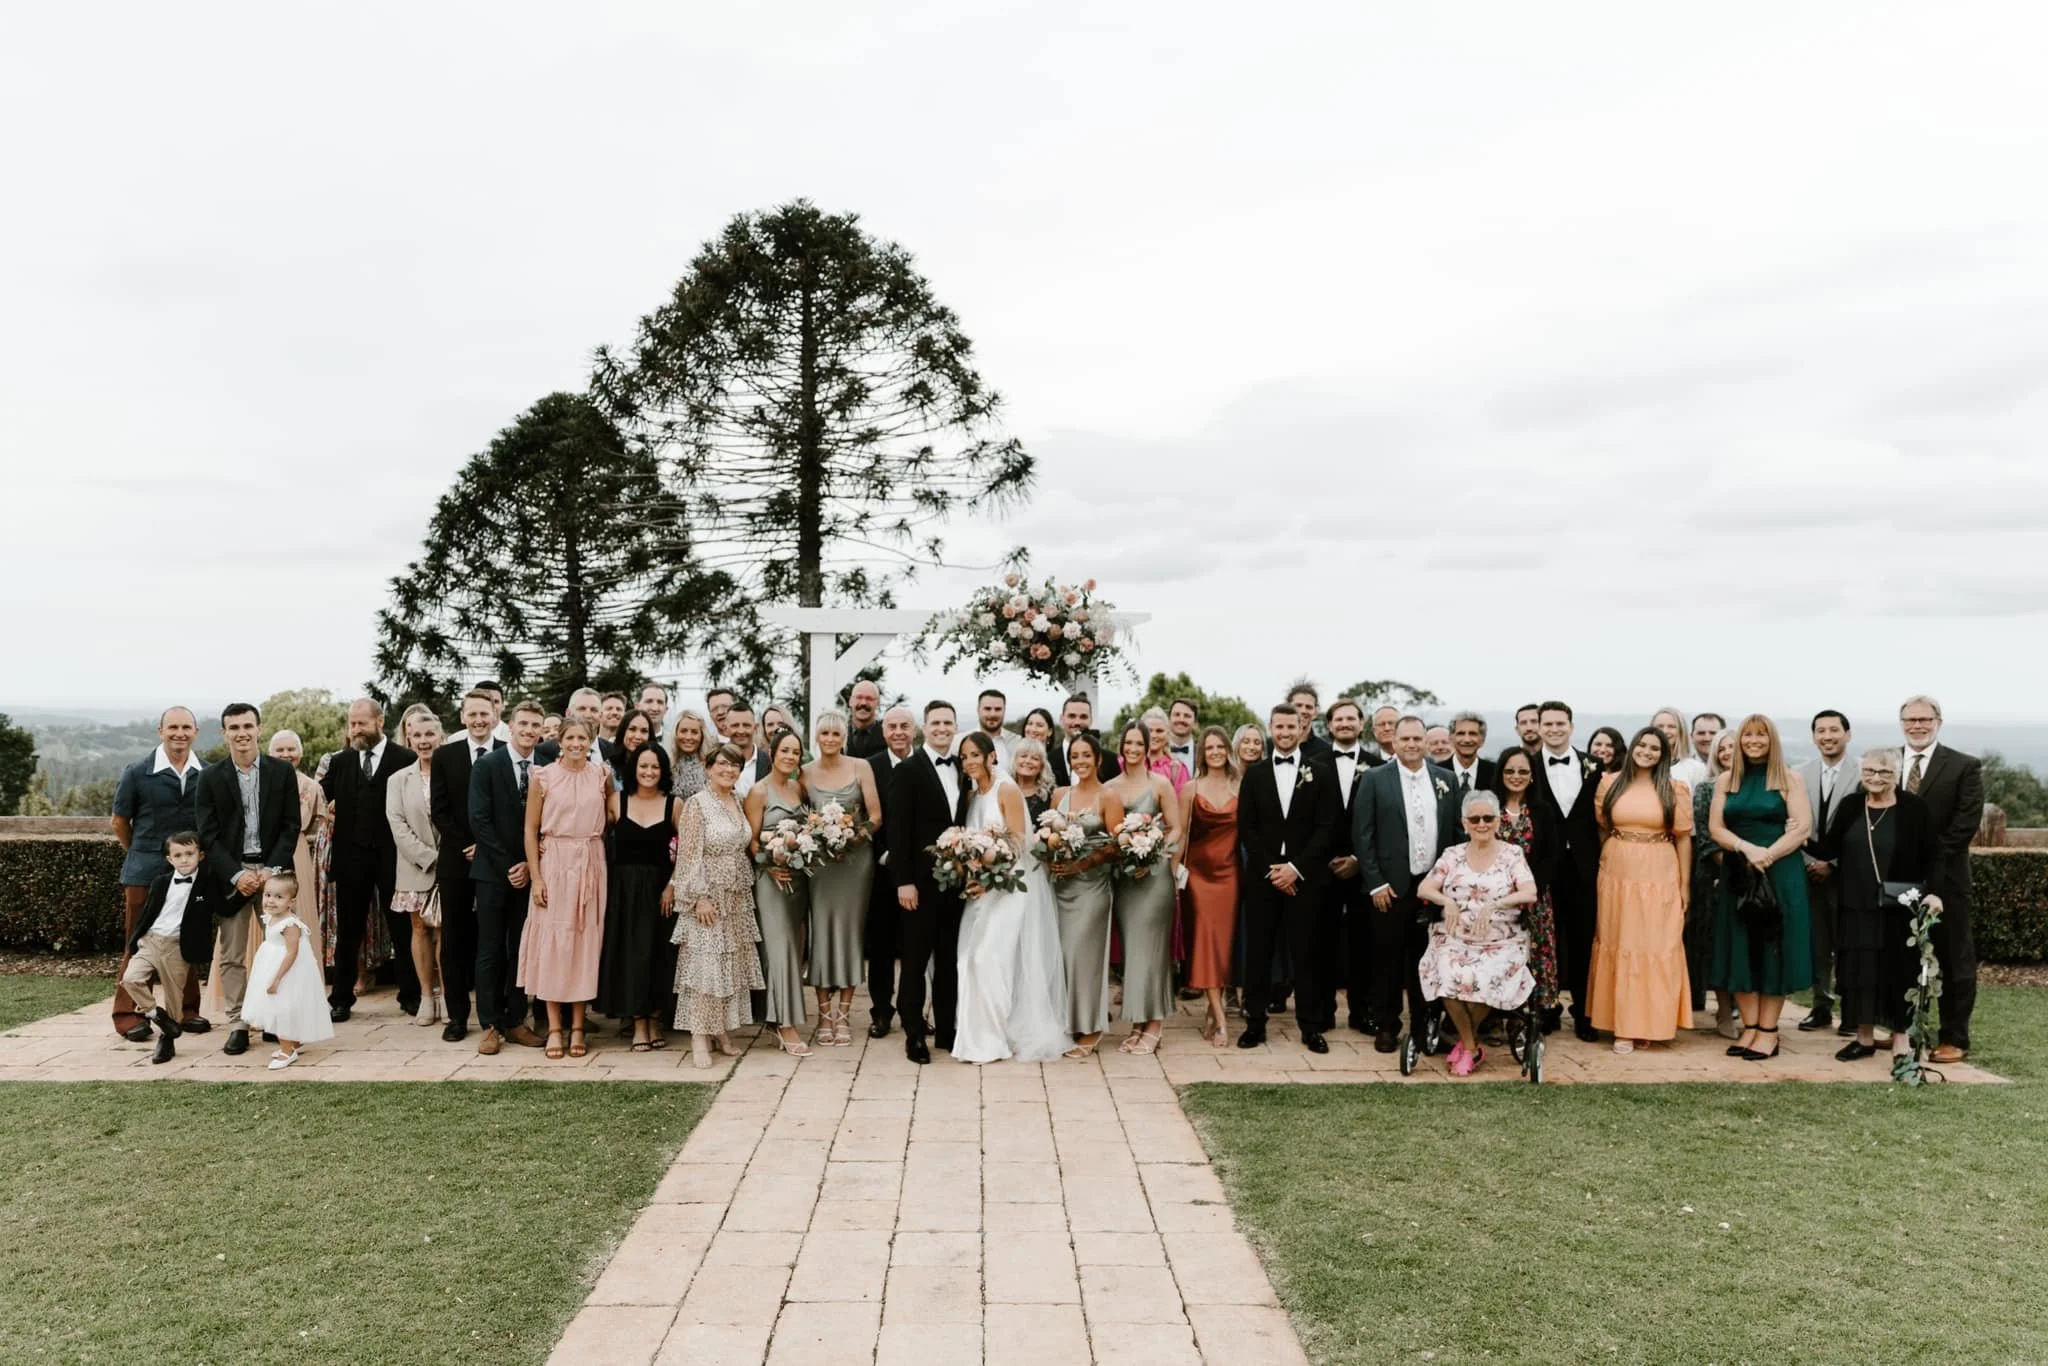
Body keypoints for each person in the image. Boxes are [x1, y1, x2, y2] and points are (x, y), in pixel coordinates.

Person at [951, 732, 1073, 1063]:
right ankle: (979, 1036)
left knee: (991, 960)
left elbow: (1021, 842)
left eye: (975, 754)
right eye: (964, 757)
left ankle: (996, 1038)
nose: (969, 761)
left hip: (1009, 886)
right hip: (981, 889)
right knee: (969, 958)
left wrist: (992, 875)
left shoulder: (1006, 789)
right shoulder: (974, 794)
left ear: (992, 756)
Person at [1816, 748, 1942, 1064]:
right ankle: (1864, 1038)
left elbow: (1934, 855)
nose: (1875, 778)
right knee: (1859, 972)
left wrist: (1936, 893)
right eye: (1870, 771)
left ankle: (1901, 1040)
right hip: (1855, 905)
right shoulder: (1850, 807)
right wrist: (1796, 833)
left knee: (1899, 971)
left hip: (1899, 906)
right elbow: (1828, 847)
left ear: (1896, 775)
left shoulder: (1914, 809)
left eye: (1884, 773)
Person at [195, 701, 300, 1055]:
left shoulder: (281, 773)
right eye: (234, 727)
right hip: (232, 876)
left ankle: (276, 1019)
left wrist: (270, 870)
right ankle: (238, 1021)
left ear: (259, 729)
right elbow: (206, 834)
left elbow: (291, 826)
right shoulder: (210, 778)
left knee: (283, 948)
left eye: (247, 726)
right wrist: (237, 874)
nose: (242, 733)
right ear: (224, 733)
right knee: (232, 952)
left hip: (274, 874)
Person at [1352, 716, 1462, 1054]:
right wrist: (1375, 884)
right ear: (1394, 742)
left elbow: (1456, 835)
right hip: (1391, 887)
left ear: (1426, 742)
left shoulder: (1446, 779)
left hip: (1432, 887)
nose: (1412, 744)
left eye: (1418, 738)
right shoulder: (1373, 779)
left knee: (1428, 960)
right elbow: (1362, 834)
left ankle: (1425, 1026)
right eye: (1406, 739)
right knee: (1387, 959)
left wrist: (1448, 884)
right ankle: (1387, 1025)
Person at [1709, 714, 1813, 1062]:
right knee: (1741, 949)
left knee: (1773, 949)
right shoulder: (1727, 780)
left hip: (1780, 873)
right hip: (1740, 873)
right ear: (1738, 741)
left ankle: (1769, 1032)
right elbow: (1716, 828)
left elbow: (1801, 830)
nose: (1754, 741)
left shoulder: (1789, 779)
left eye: (1761, 735)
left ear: (1773, 741)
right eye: (1747, 735)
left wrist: (1767, 855)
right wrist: (1746, 849)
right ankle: (1750, 1028)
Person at [1416, 790, 1540, 1076]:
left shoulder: (1512, 854)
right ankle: (1472, 1045)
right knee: (1447, 976)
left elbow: (1529, 892)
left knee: (1485, 979)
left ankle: (1467, 1046)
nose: (1481, 824)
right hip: (1455, 937)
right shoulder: (1453, 854)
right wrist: (1446, 900)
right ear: (1464, 822)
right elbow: (1425, 888)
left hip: (1502, 939)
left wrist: (1496, 904)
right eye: (1475, 819)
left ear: (1498, 822)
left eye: (1488, 818)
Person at [1238, 703, 1337, 1052]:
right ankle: (1255, 1022)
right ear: (1271, 727)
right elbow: (1247, 828)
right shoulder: (1256, 774)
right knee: (1259, 952)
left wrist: (1296, 868)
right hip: (1263, 877)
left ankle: (1310, 1026)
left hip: (1304, 877)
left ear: (1302, 728)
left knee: (1305, 952)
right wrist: (1272, 869)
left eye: (1290, 727)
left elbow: (1328, 827)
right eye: (1278, 727)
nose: (1284, 733)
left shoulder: (1321, 772)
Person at [1590, 727, 1693, 1052]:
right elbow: (1603, 828)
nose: (1646, 752)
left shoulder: (1674, 788)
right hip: (1617, 872)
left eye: (1655, 748)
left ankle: (1650, 1022)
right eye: (1642, 745)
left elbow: (1683, 837)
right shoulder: (1610, 783)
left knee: (1655, 944)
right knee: (1619, 941)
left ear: (1663, 755)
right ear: (1632, 746)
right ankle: (1621, 1025)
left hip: (1659, 872)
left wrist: (1685, 885)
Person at [110, 707, 208, 1040]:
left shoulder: (206, 773)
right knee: (137, 941)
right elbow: (119, 822)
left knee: (187, 938)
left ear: (195, 731)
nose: (179, 733)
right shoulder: (137, 772)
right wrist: (140, 851)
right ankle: (129, 1015)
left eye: (186, 727)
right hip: (144, 870)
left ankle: (187, 1011)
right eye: (172, 727)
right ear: (160, 731)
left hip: (191, 873)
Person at [522, 716, 616, 1060]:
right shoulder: (542, 776)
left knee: (584, 944)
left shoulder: (601, 774)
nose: (577, 743)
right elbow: (530, 830)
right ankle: (555, 1027)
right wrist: (537, 876)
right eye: (570, 737)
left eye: (583, 738)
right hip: (555, 862)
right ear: (559, 741)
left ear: (591, 740)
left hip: (591, 861)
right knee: (553, 944)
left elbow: (613, 814)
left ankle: (579, 1024)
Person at [1897, 694, 1984, 1062]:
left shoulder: (1964, 766)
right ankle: (1904, 1032)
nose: (1917, 726)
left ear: (1938, 721)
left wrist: (1927, 865)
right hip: (1897, 880)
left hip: (1948, 879)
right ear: (1901, 723)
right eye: (1910, 720)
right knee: (1900, 958)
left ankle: (1954, 1038)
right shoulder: (1887, 761)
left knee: (1953, 959)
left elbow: (1964, 826)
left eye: (1924, 719)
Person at [321, 698, 418, 1022]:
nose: (356, 730)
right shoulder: (341, 762)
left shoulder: (405, 759)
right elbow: (319, 796)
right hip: (352, 858)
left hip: (395, 857)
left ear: (380, 721)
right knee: (348, 931)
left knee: (402, 928)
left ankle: (411, 995)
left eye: (361, 723)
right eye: (352, 724)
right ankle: (341, 998)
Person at [671, 744, 765, 1069]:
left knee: (729, 966)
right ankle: (699, 1035)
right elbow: (688, 855)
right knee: (704, 967)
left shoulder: (737, 802)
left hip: (736, 896)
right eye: (722, 764)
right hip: (707, 895)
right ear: (709, 767)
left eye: (735, 766)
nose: (729, 770)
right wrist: (698, 897)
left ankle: (721, 1029)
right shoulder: (698, 805)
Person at [887, 701, 968, 1063]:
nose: (941, 728)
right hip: (917, 885)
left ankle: (947, 1031)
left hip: (956, 885)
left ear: (955, 727)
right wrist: (903, 880)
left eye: (947, 722)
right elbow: (898, 831)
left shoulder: (964, 769)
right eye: (935, 722)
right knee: (916, 962)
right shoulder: (907, 771)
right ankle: (914, 1034)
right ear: (924, 727)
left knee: (949, 961)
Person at [469, 701, 549, 1055]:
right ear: (511, 726)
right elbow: (479, 820)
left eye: (536, 726)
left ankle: (516, 1019)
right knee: (489, 949)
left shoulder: (547, 767)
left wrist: (530, 866)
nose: (529, 731)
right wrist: (509, 866)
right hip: (492, 873)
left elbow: (551, 822)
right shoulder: (487, 765)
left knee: (521, 948)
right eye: (524, 724)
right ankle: (489, 1024)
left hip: (532, 872)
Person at [804, 712, 882, 1049]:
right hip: (820, 865)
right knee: (821, 934)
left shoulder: (860, 768)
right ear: (816, 737)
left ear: (844, 737)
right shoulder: (804, 772)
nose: (831, 738)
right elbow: (799, 817)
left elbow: (876, 816)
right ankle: (823, 1015)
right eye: (825, 732)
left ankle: (844, 1015)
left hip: (855, 862)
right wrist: (820, 838)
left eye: (837, 733)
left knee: (850, 935)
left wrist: (852, 837)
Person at [428, 691, 502, 1043]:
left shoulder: (506, 750)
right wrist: (465, 845)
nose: (478, 720)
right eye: (472, 714)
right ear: (462, 717)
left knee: (493, 938)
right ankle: (457, 1016)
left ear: (495, 715)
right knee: (454, 941)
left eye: (484, 714)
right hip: (456, 861)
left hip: (496, 861)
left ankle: (496, 1014)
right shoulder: (445, 755)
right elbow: (440, 810)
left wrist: (488, 847)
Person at [1105, 722, 1183, 1054]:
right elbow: (1109, 834)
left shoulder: (1161, 784)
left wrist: (1153, 848)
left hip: (1154, 878)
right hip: (1124, 881)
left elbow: (1177, 829)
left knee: (1153, 951)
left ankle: (1155, 1025)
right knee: (1134, 955)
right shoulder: (1110, 786)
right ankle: (1137, 1022)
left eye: (1140, 743)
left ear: (1148, 746)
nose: (1133, 748)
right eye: (1129, 742)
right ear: (1121, 746)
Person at [597, 744, 679, 1051]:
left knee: (658, 954)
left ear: (663, 771)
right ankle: (637, 1023)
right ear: (633, 769)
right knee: (631, 954)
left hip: (661, 892)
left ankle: (655, 1020)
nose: (648, 772)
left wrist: (672, 886)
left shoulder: (674, 804)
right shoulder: (616, 801)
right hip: (624, 891)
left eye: (655, 767)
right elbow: (596, 840)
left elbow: (686, 851)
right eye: (643, 766)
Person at [1532, 701, 1603, 1041]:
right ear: (1539, 727)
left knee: (1582, 940)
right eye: (1548, 724)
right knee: (1545, 940)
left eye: (1561, 723)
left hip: (1584, 867)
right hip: (1544, 867)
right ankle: (1546, 1009)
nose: (1555, 729)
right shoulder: (1528, 766)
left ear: (1571, 726)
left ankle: (1584, 1011)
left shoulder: (1595, 766)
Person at [120, 831, 224, 1063]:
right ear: (170, 859)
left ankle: (167, 1040)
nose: (184, 859)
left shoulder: (207, 884)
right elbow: (147, 913)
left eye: (190, 853)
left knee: (174, 997)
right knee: (130, 979)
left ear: (201, 855)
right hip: (151, 940)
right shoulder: (160, 882)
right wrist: (137, 939)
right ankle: (156, 1014)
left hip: (178, 946)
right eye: (178, 855)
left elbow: (224, 908)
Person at [1049, 731, 1123, 1057]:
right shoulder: (1059, 795)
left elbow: (1116, 846)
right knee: (1063, 957)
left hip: (1093, 887)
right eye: (1074, 757)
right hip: (1061, 888)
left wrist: (1085, 863)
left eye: (1085, 756)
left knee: (1085, 958)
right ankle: (1069, 1023)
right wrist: (1051, 857)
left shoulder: (1108, 797)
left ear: (1098, 759)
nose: (1080, 761)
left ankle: (1091, 1028)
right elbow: (1049, 837)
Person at [747, 726, 812, 1056]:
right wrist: (768, 863)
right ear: (772, 753)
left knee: (794, 949)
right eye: (785, 750)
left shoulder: (799, 788)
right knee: (780, 948)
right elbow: (751, 840)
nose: (790, 756)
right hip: (770, 879)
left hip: (799, 881)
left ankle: (775, 1017)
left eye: (796, 752)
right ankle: (787, 1025)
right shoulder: (759, 792)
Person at [1179, 725, 1240, 1047]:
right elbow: (1182, 834)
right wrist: (1173, 870)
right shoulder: (1190, 789)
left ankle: (1211, 1009)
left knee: (1223, 947)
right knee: (1205, 942)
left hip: (1230, 873)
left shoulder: (1240, 786)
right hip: (1199, 875)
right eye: (1209, 747)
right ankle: (1219, 1018)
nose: (1215, 751)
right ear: (1202, 752)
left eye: (1220, 746)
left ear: (1227, 749)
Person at [386, 708, 448, 1029]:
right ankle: (427, 995)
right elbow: (397, 824)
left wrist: (447, 856)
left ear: (440, 736)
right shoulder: (398, 779)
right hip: (415, 867)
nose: (424, 741)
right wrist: (429, 857)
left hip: (451, 864)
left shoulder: (453, 772)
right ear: (409, 738)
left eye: (429, 735)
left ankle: (449, 996)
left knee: (448, 932)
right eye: (418, 735)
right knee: (420, 929)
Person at [1797, 710, 1855, 1035]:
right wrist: (1809, 863)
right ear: (1814, 736)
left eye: (1834, 730)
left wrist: (1833, 865)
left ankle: (1851, 1011)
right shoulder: (1798, 774)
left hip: (1847, 874)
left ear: (1847, 734)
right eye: (1821, 730)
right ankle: (1821, 1006)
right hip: (1809, 872)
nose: (1827, 736)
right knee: (1817, 943)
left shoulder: (1863, 772)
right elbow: (1791, 821)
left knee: (1847, 943)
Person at [1317, 700, 1373, 1036]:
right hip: (1321, 868)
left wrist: (1357, 859)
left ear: (1361, 724)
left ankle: (1361, 1011)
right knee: (1321, 941)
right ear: (1330, 725)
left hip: (1361, 868)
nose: (1345, 724)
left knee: (1362, 943)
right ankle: (1322, 1012)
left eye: (1351, 718)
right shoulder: (1311, 763)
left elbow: (1379, 822)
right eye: (1339, 719)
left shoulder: (1378, 766)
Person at [863, 705, 919, 1036]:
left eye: (904, 726)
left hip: (916, 871)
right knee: (881, 946)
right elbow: (863, 815)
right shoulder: (871, 767)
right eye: (892, 726)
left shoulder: (924, 764)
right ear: (883, 732)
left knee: (914, 947)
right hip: (881, 869)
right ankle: (881, 1011)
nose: (898, 731)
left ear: (915, 730)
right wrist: (884, 855)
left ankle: (913, 1012)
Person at [1490, 747, 1559, 1014]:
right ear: (1500, 774)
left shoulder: (1542, 810)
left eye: (1522, 771)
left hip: (1534, 900)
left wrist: (1529, 892)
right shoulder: (1488, 807)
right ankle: (1495, 1016)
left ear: (1532, 776)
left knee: (1535, 955)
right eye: (1509, 771)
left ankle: (1535, 1016)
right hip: (1495, 898)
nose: (1516, 776)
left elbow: (1549, 856)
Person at [240, 873, 334, 1069]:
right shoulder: (272, 918)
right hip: (271, 963)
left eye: (278, 897)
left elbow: (292, 953)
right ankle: (294, 1042)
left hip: (287, 970)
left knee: (282, 1008)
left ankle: (287, 1051)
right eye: (267, 895)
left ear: (291, 901)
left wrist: (277, 979)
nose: (271, 901)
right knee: (276, 1006)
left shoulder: (290, 924)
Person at [266, 730, 327, 989]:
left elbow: (319, 823)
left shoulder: (311, 787)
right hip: (267, 848)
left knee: (298, 909)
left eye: (291, 749)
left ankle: (303, 985)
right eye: (279, 750)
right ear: (270, 754)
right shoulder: (262, 782)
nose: (286, 754)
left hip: (298, 849)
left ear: (300, 753)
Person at [1691, 729, 1740, 1034]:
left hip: (1759, 874)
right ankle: (1723, 1012)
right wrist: (1739, 869)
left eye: (1733, 747)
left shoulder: (1759, 788)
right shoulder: (1706, 788)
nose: (1727, 753)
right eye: (1722, 749)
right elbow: (1706, 840)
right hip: (1717, 878)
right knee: (1719, 947)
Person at [1050, 693, 1118, 785]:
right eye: (1072, 716)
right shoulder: (1047, 761)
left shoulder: (1111, 761)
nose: (1077, 722)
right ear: (1062, 719)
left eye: (1083, 717)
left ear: (1091, 720)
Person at [961, 688, 1019, 768]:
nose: (992, 714)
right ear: (978, 709)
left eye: (998, 709)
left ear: (1004, 710)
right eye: (987, 709)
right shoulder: (959, 741)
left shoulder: (1017, 742)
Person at [1140, 707, 1191, 794]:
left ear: (1167, 733)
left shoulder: (1178, 769)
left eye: (1159, 731)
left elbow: (1182, 805)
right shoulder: (1125, 763)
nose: (1153, 735)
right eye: (1149, 730)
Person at [1444, 712, 1497, 797]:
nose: (1467, 739)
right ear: (1451, 739)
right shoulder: (1437, 772)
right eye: (1461, 734)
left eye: (1473, 734)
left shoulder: (1496, 773)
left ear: (1482, 740)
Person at [1656, 708, 1708, 790]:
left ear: (1681, 731)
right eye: (1660, 726)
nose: (1665, 731)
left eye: (1671, 726)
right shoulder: (1640, 767)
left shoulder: (1696, 768)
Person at [724, 702, 764, 797]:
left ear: (755, 728)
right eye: (735, 725)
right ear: (726, 729)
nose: (741, 731)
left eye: (746, 725)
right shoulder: (714, 762)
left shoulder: (769, 762)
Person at [609, 711, 656, 790]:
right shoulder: (608, 768)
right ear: (623, 732)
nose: (638, 736)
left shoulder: (658, 768)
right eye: (632, 729)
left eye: (644, 731)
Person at [1287, 682, 1334, 760]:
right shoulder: (1270, 745)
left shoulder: (1326, 750)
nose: (1303, 711)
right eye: (1298, 705)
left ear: (1315, 712)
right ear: (1287, 708)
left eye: (1308, 707)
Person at [669, 710, 710, 799]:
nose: (688, 737)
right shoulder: (667, 765)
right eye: (683, 731)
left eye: (694, 732)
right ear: (676, 733)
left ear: (702, 736)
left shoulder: (711, 766)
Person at [1012, 738, 1054, 823]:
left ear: (1042, 766)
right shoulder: (1004, 789)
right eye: (1023, 756)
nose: (1027, 761)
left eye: (1035, 758)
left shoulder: (1050, 796)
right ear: (1015, 760)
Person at [845, 679, 886, 759]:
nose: (863, 703)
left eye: (869, 698)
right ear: (850, 701)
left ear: (878, 704)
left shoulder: (887, 737)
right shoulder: (837, 734)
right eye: (859, 697)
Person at [1163, 698, 1200, 776]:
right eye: (1177, 715)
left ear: (1195, 723)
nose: (1181, 719)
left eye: (1187, 716)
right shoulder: (1156, 751)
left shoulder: (1203, 754)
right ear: (1168, 720)